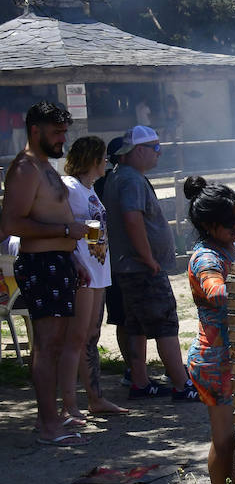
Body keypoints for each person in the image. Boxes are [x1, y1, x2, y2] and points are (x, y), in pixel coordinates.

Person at [1, 102, 90, 445]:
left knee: (55, 343)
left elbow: (53, 215)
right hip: (41, 264)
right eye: (56, 132)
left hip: (60, 262)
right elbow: (11, 224)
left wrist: (74, 258)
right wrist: (66, 234)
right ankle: (49, 425)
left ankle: (48, 420)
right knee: (47, 345)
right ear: (35, 130)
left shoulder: (44, 166)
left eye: (64, 131)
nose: (62, 139)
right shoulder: (24, 169)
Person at [104, 124, 197, 402]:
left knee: (137, 325)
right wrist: (148, 258)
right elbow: (132, 219)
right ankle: (182, 385)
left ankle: (140, 382)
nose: (159, 154)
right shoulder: (131, 179)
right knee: (165, 323)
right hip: (141, 267)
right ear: (139, 151)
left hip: (128, 266)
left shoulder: (121, 176)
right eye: (155, 148)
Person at [184, 176, 235, 484]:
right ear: (210, 224)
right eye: (230, 221)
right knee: (224, 442)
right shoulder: (206, 256)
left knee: (233, 440)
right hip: (214, 359)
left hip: (227, 356)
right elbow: (216, 291)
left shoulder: (225, 246)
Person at [61, 136, 129, 421]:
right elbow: (60, 222)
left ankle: (95, 398)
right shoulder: (69, 186)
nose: (106, 163)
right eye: (103, 158)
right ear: (92, 160)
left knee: (91, 336)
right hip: (83, 269)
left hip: (98, 269)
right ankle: (69, 404)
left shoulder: (89, 189)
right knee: (76, 338)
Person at [96, 137, 138, 384]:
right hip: (120, 259)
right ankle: (134, 370)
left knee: (126, 317)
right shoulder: (112, 182)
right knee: (125, 316)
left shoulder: (124, 179)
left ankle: (135, 369)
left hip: (116, 260)